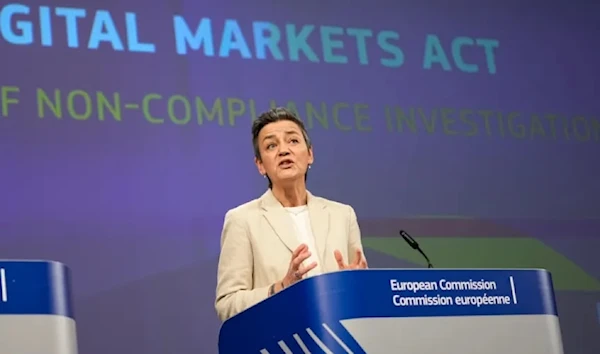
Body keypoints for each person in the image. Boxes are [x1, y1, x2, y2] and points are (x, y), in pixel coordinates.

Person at [214, 107, 368, 322]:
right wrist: (281, 288)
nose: (284, 150)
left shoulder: (342, 215)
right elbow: (227, 305)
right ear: (260, 165)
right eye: (271, 145)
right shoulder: (242, 220)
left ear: (310, 154)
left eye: (293, 141)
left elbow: (362, 294)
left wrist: (358, 285)